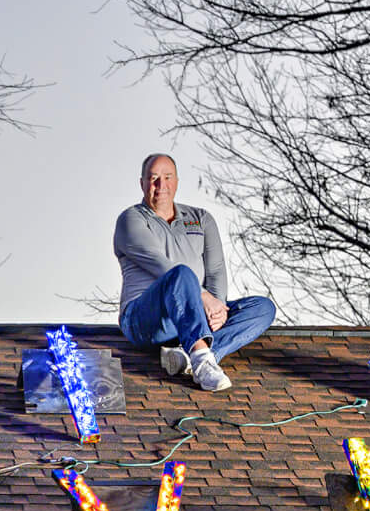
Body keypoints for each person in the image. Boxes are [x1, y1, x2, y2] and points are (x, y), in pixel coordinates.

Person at [113, 153, 277, 393]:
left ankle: (192, 356)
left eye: (167, 177)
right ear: (142, 183)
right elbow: (162, 266)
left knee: (262, 308)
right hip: (146, 321)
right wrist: (205, 298)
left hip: (193, 316)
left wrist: (218, 307)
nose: (161, 185)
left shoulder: (201, 219)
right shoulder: (131, 219)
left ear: (177, 181)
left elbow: (216, 270)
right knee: (181, 274)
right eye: (154, 178)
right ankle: (201, 360)